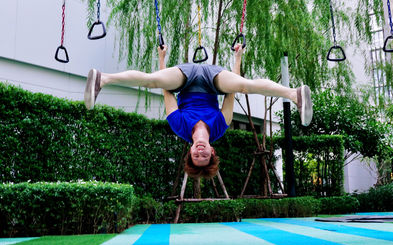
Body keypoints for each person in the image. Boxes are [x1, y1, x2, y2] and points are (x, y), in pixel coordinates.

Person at [84, 44, 313, 179]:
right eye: (205, 156)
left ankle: (102, 79)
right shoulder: (220, 127)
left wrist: (162, 59)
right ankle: (295, 94)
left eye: (197, 156)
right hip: (213, 81)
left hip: (185, 78)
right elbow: (232, 91)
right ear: (212, 152)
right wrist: (238, 57)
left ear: (191, 151)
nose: (201, 152)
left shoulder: (179, 127)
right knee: (245, 85)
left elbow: (166, 90)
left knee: (152, 80)